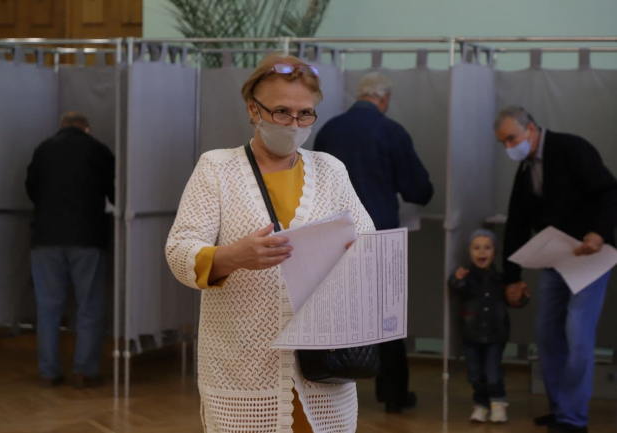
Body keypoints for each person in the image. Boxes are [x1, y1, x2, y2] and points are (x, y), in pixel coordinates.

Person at [166, 53, 374, 433]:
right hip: (242, 374)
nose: (293, 125)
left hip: (325, 370)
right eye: (281, 112)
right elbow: (180, 251)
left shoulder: (331, 171)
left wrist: (354, 256)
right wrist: (232, 257)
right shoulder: (217, 169)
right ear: (253, 109)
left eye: (305, 114)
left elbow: (369, 243)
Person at [314, 71, 433, 413]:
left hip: (333, 236)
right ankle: (394, 395)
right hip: (379, 236)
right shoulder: (391, 131)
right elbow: (419, 190)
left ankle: (328, 382)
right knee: (385, 316)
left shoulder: (328, 130)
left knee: (336, 313)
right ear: (385, 98)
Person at [495, 106, 617, 433]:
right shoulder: (526, 169)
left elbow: (610, 191)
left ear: (531, 130)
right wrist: (512, 279)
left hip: (591, 257)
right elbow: (517, 224)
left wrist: (600, 232)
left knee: (578, 335)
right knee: (547, 334)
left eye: (512, 138)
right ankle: (561, 408)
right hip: (557, 259)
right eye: (503, 142)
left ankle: (573, 419)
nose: (508, 147)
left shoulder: (571, 148)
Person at [25, 112, 115, 389]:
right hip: (87, 238)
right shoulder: (98, 150)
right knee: (90, 306)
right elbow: (114, 193)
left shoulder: (43, 149)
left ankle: (49, 372)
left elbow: (31, 190)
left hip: (45, 239)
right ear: (86, 129)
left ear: (60, 128)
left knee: (48, 308)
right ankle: (85, 372)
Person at [449, 229, 509, 424]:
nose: (482, 252)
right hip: (471, 334)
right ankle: (481, 404)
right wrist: (457, 279)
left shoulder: (500, 278)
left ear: (494, 251)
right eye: (477, 248)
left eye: (487, 248)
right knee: (475, 373)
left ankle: (498, 403)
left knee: (492, 372)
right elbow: (456, 288)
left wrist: (521, 295)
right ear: (469, 252)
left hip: (495, 334)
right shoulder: (467, 277)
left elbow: (514, 298)